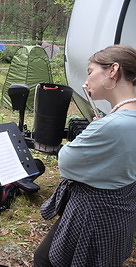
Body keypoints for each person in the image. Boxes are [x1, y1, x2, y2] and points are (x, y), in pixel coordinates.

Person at [33, 44, 136, 266]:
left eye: (90, 72)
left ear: (113, 70)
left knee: (45, 260)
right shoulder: (122, 119)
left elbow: (67, 163)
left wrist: (94, 131)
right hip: (121, 211)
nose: (86, 81)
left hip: (93, 214)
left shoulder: (112, 125)